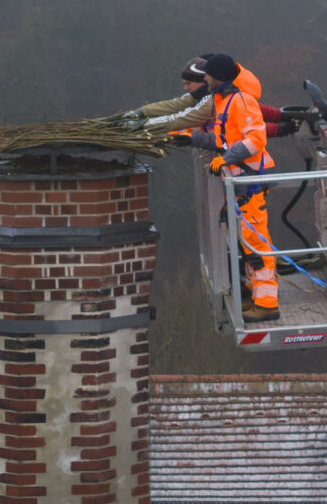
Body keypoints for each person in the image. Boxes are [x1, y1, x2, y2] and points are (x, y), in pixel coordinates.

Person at [186, 53, 279, 322]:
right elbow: (222, 139)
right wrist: (190, 139)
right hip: (239, 183)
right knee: (247, 243)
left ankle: (267, 304)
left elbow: (255, 140)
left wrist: (226, 159)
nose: (205, 79)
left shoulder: (241, 101)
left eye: (208, 74)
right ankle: (254, 293)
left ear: (219, 77)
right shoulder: (224, 101)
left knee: (256, 244)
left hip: (249, 182)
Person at [126, 56, 299, 138]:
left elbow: (180, 118)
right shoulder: (222, 94)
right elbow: (176, 105)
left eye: (188, 83)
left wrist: (141, 125)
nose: (185, 88)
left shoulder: (217, 101)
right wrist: (141, 113)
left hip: (242, 173)